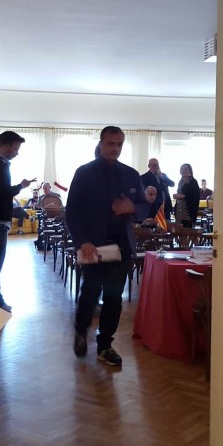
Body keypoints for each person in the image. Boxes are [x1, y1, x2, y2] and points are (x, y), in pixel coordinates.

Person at [65, 126, 148, 366]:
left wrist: (132, 208)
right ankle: (81, 330)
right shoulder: (84, 173)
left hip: (120, 248)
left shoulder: (131, 174)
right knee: (90, 292)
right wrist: (82, 241)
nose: (115, 148)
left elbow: (144, 207)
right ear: (101, 144)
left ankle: (105, 345)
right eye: (111, 143)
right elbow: (72, 212)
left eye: (119, 144)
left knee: (113, 298)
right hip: (91, 245)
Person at [0, 131, 34, 311]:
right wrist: (21, 186)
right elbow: (3, 192)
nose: (17, 153)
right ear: (5, 146)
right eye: (16, 149)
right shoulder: (0, 164)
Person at [172, 163, 201, 228]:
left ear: (189, 170)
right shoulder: (181, 181)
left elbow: (195, 196)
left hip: (188, 211)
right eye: (182, 169)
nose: (183, 171)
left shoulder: (193, 181)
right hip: (179, 209)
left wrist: (182, 196)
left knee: (187, 228)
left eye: (185, 169)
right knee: (179, 229)